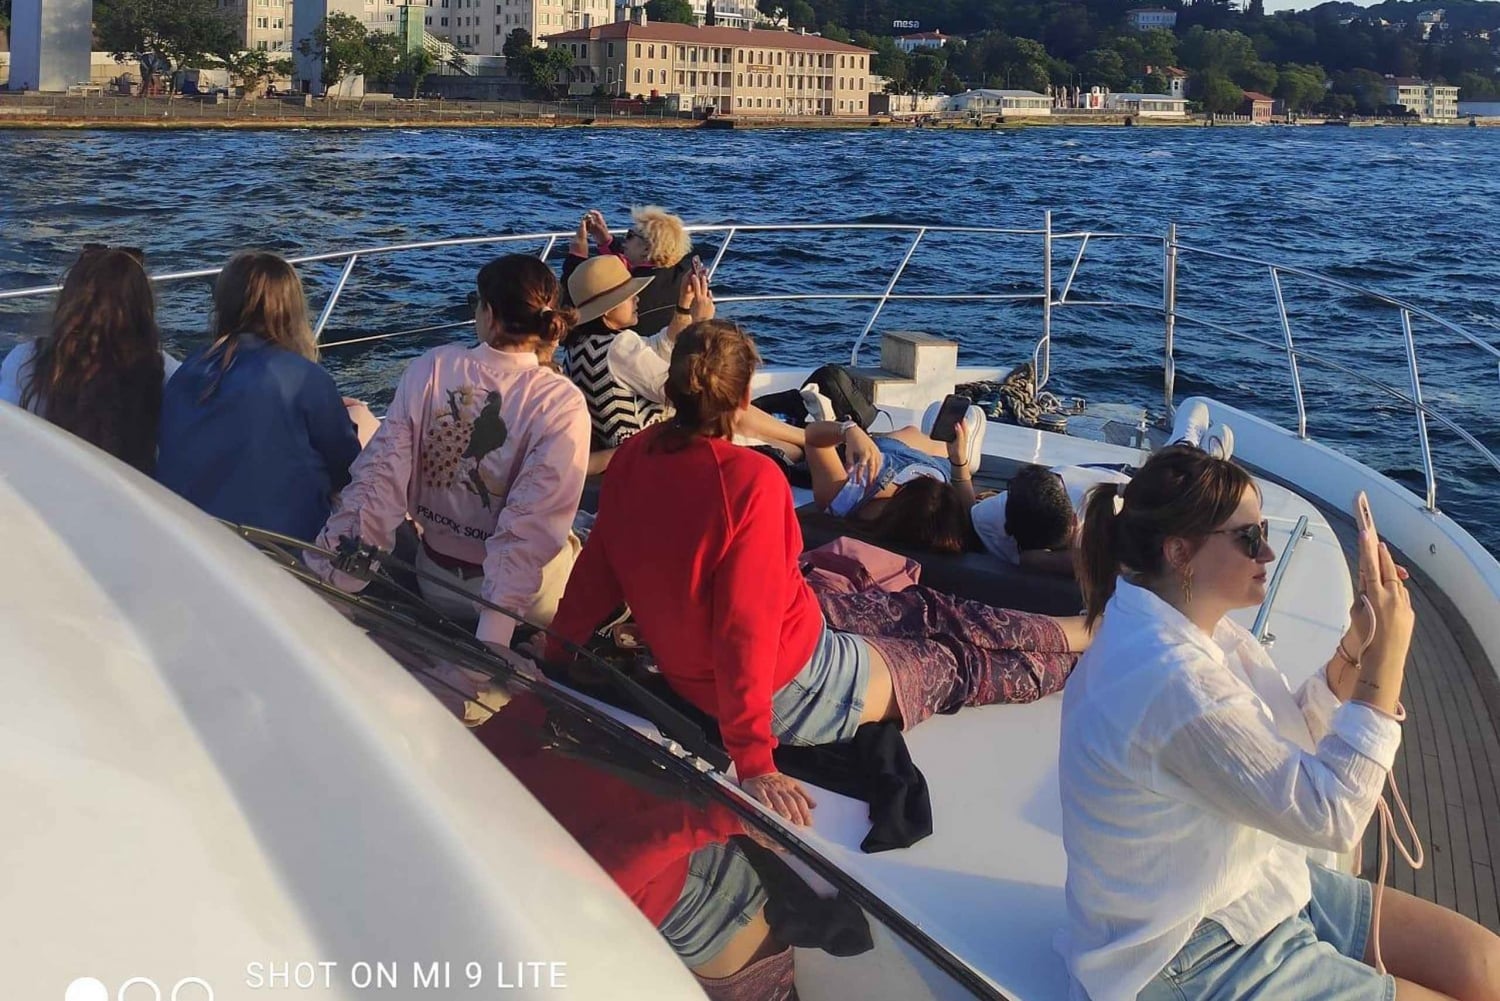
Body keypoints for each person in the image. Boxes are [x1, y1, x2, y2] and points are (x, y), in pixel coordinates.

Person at [546, 320, 1090, 826]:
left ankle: (1077, 632)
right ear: (742, 398)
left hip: (781, 643)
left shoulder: (635, 457)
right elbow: (744, 627)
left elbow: (598, 570)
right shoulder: (751, 482)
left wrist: (556, 651)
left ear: (673, 389)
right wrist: (755, 760)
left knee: (920, 607)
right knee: (952, 662)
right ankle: (1085, 652)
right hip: (797, 686)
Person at [1057, 445, 1500, 1001]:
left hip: (1250, 884)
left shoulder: (1194, 627)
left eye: (1263, 529)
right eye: (1248, 539)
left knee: (1485, 966)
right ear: (1179, 553)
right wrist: (1389, 656)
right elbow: (1331, 814)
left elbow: (1282, 733)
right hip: (1179, 952)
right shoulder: (1170, 677)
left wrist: (1358, 645)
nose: (1267, 550)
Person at [312, 254, 590, 652]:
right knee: (575, 537)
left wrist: (334, 577)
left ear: (489, 314)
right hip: (520, 607)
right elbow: (532, 523)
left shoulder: (433, 367)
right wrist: (493, 642)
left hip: (437, 583)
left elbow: (379, 483)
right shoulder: (561, 401)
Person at [156, 251, 361, 540]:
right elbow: (349, 471)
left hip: (191, 539)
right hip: (279, 551)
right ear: (292, 309)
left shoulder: (189, 370)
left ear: (224, 306)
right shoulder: (304, 379)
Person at [1, 244, 176, 474]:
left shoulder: (25, 360)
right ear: (142, 309)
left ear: (69, 302)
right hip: (131, 504)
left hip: (38, 499)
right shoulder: (166, 372)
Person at [561, 252, 714, 467]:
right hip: (650, 454)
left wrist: (683, 305)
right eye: (628, 295)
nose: (637, 298)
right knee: (728, 409)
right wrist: (701, 323)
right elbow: (683, 391)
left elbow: (653, 349)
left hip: (617, 451)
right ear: (607, 310)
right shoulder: (619, 347)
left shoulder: (579, 345)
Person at [563, 206, 694, 337]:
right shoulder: (682, 275)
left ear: (647, 249)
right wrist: (605, 241)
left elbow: (574, 306)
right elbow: (632, 264)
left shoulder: (629, 291)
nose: (624, 242)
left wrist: (576, 256)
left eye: (630, 236)